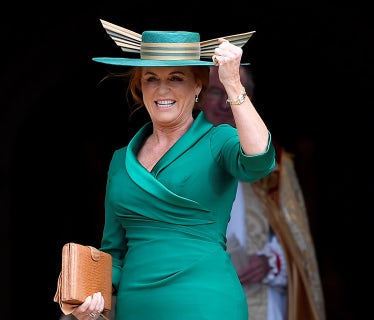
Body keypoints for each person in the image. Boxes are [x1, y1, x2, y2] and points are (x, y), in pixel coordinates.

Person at [73, 20, 276, 320]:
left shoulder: (217, 140)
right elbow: (113, 254)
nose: (162, 88)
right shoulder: (120, 160)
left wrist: (233, 83)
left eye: (176, 78)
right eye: (151, 78)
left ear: (198, 86)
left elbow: (260, 159)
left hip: (207, 304)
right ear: (140, 87)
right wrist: (91, 300)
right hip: (136, 309)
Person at [201, 65, 326, 320]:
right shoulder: (175, 158)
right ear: (197, 97)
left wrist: (272, 262)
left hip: (260, 300)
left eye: (236, 92)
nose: (226, 103)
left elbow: (296, 240)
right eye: (216, 91)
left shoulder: (273, 163)